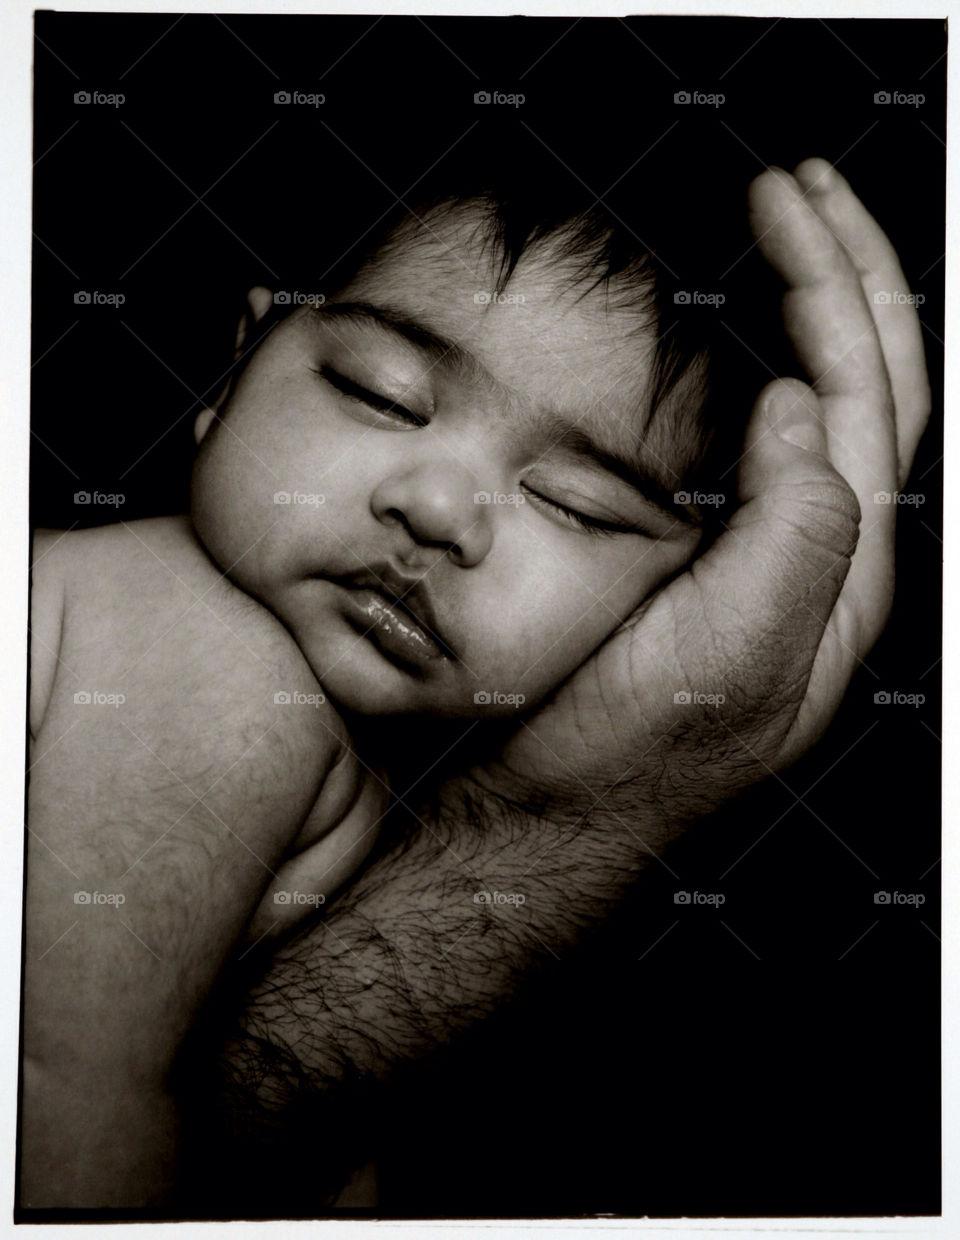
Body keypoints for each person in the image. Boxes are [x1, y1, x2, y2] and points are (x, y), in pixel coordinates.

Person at [20, 159, 930, 1211]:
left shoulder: (344, 761)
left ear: (666, 596)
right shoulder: (202, 657)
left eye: (577, 504)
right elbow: (56, 1111)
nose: (443, 509)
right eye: (381, 394)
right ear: (232, 371)